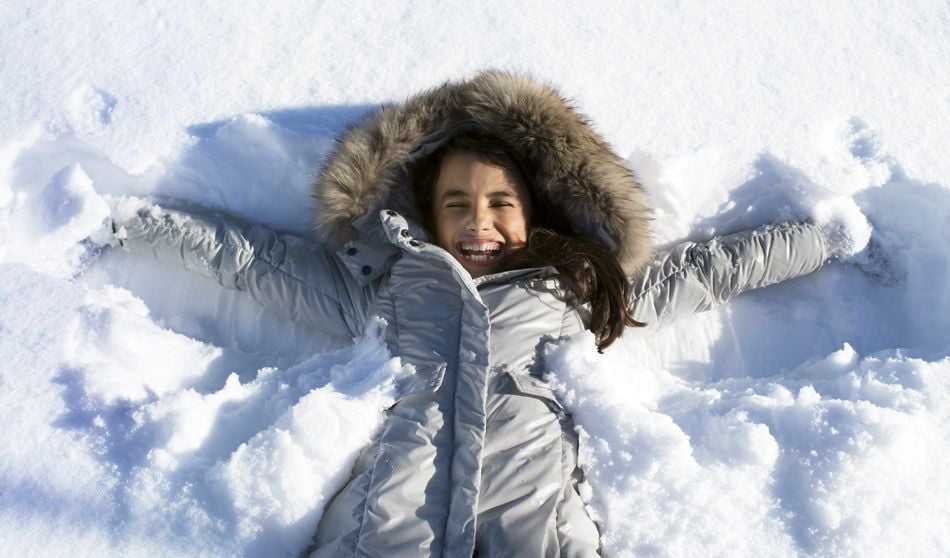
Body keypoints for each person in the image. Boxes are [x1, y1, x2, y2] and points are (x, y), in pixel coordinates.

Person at [113, 71, 831, 557]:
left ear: (536, 211)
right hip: (383, 538)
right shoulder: (383, 283)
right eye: (455, 204)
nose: (477, 222)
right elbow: (251, 261)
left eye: (498, 203)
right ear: (424, 215)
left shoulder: (576, 288)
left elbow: (705, 273)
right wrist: (130, 222)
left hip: (537, 535)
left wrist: (823, 238)